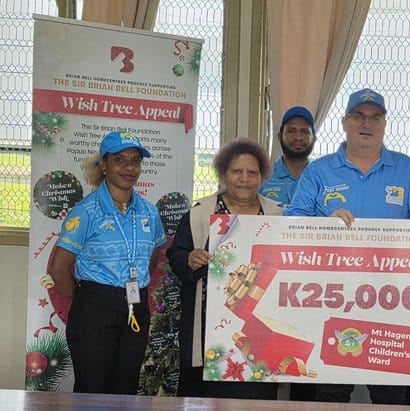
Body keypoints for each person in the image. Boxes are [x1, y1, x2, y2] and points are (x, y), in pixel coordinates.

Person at [286, 88, 410, 404]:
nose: (365, 124)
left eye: (374, 117)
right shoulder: (319, 171)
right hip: (332, 300)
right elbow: (293, 221)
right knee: (331, 393)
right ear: (344, 122)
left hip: (393, 302)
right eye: (358, 116)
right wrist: (325, 224)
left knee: (390, 393)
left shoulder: (407, 170)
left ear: (384, 124)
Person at [48, 131, 166, 394]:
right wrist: (88, 299)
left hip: (136, 305)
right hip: (95, 307)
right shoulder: (86, 212)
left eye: (135, 161)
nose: (129, 168)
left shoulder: (149, 211)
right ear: (104, 164)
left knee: (126, 389)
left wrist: (131, 288)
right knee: (93, 390)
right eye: (119, 160)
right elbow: (58, 269)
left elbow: (153, 257)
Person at [167, 137, 282, 399]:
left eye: (252, 172)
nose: (244, 179)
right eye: (236, 171)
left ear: (261, 177)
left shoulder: (277, 216)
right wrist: (189, 259)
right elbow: (176, 254)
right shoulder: (201, 213)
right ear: (223, 174)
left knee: (256, 400)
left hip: (259, 333)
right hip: (209, 337)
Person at [259, 106, 316, 208]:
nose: (298, 137)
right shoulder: (263, 177)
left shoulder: (322, 178)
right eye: (291, 131)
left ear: (314, 138)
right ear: (279, 137)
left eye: (304, 131)